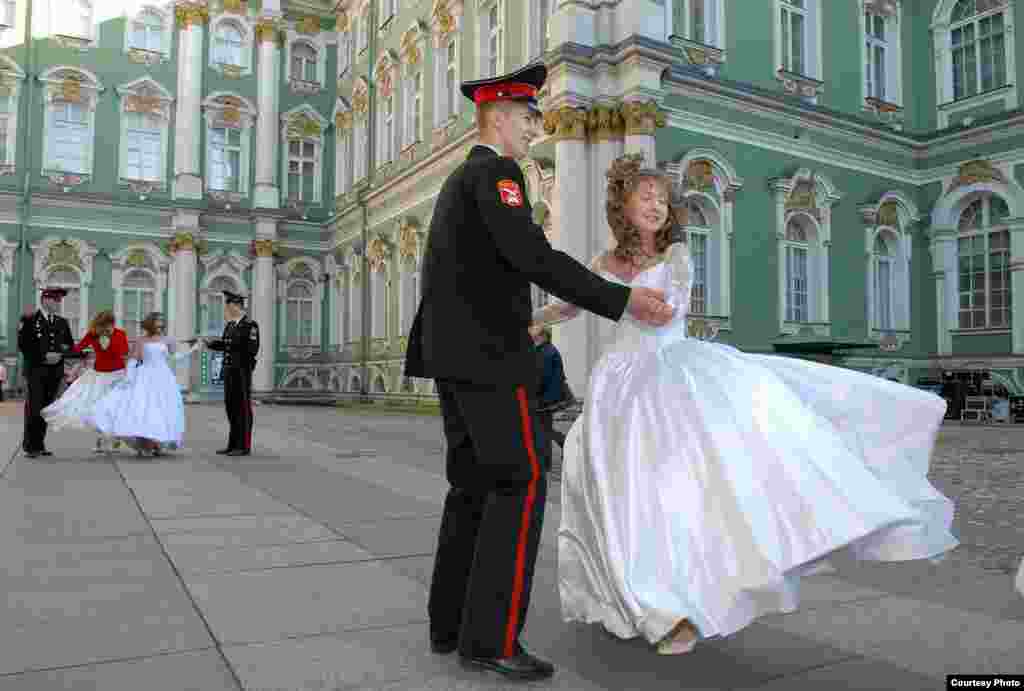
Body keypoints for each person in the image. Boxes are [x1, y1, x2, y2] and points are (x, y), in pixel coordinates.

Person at [532, 154, 959, 655]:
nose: (655, 205)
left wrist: (614, 298)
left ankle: (678, 603)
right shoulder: (603, 263)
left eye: (662, 199)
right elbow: (568, 304)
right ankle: (625, 599)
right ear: (621, 205)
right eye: (644, 196)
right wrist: (532, 319)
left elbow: (665, 312)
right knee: (611, 493)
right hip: (617, 388)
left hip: (668, 381)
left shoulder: (675, 259)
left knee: (678, 492)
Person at [403, 63, 675, 682]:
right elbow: (532, 255)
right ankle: (493, 640)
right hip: (491, 361)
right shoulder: (496, 173)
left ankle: (450, 625)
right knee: (519, 485)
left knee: (470, 487)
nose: (536, 128)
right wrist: (621, 298)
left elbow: (483, 273)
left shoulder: (460, 179)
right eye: (529, 118)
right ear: (498, 115)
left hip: (456, 356)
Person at [86, 312, 199, 457]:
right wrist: (128, 377)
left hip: (164, 378)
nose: (161, 324)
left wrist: (192, 350)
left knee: (163, 409)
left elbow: (175, 357)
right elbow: (133, 360)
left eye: (162, 322)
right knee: (145, 409)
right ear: (151, 324)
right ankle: (145, 444)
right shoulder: (141, 340)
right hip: (145, 376)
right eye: (158, 322)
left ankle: (158, 442)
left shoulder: (168, 340)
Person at [41, 310, 130, 454]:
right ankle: (102, 439)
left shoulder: (120, 334)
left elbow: (125, 352)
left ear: (112, 323)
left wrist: (111, 342)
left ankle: (114, 438)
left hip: (117, 375)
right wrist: (60, 351)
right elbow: (77, 348)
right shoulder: (93, 334)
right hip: (98, 376)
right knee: (96, 408)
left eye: (107, 325)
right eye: (101, 325)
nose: (104, 329)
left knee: (114, 408)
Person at [18, 287, 79, 458]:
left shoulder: (61, 322)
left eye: (59, 300)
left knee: (46, 408)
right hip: (36, 370)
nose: (58, 303)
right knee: (34, 407)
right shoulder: (30, 319)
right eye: (55, 300)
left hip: (55, 371)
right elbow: (23, 344)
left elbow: (69, 345)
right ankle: (30, 446)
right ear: (45, 300)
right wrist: (43, 356)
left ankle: (40, 443)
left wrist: (63, 353)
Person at [203, 291, 259, 457]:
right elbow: (225, 344)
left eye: (228, 307)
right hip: (229, 371)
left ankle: (244, 446)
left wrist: (243, 367)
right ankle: (233, 444)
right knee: (231, 407)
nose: (226, 310)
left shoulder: (250, 325)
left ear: (236, 306)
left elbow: (252, 349)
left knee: (242, 408)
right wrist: (210, 343)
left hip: (241, 371)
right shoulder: (230, 325)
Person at [529, 325, 569, 456]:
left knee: (542, 427)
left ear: (542, 335)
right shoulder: (546, 349)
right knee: (542, 427)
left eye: (534, 330)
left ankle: (560, 443)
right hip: (548, 396)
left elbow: (540, 377)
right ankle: (561, 442)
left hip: (545, 397)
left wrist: (534, 394)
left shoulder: (545, 352)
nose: (531, 331)